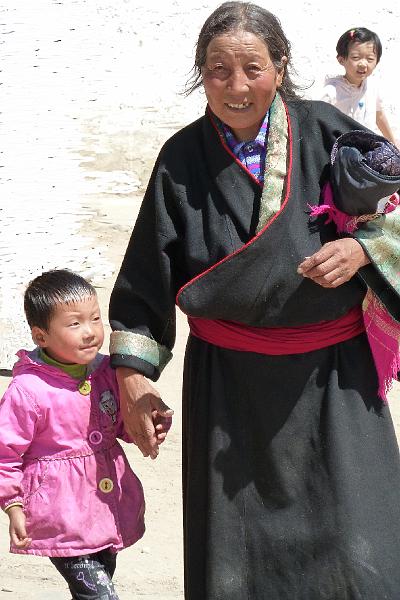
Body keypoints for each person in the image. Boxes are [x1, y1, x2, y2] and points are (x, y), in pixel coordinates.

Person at [108, 2, 400, 599]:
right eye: (218, 69)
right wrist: (134, 381)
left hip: (333, 380)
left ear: (281, 64)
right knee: (238, 563)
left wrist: (365, 252)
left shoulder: (329, 132)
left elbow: (394, 213)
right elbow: (145, 280)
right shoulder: (182, 160)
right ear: (200, 71)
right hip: (229, 388)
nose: (236, 86)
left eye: (253, 67)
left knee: (361, 554)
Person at [0, 269, 159, 600]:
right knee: (100, 596)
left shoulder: (107, 372)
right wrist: (13, 504)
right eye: (75, 324)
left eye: (95, 319)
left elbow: (121, 424)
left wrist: (149, 421)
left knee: (98, 585)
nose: (90, 332)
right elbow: (5, 452)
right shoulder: (28, 390)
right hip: (60, 515)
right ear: (41, 337)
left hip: (104, 507)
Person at [320, 27, 397, 145]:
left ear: (377, 61)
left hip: (368, 147)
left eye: (370, 59)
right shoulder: (332, 91)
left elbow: (379, 116)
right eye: (355, 58)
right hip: (341, 151)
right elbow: (319, 119)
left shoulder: (372, 87)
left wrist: (393, 143)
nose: (363, 64)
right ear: (341, 60)